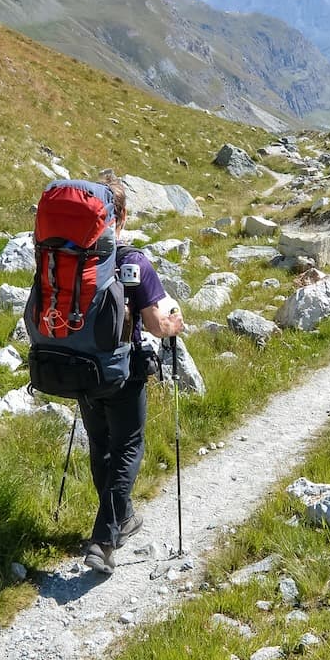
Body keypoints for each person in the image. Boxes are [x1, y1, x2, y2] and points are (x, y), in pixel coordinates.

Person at [80, 172, 184, 575]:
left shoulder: (74, 260)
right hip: (121, 370)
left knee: (101, 445)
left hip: (79, 367)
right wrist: (175, 321)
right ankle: (103, 540)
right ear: (120, 217)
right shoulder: (132, 260)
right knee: (128, 446)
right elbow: (158, 324)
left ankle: (121, 518)